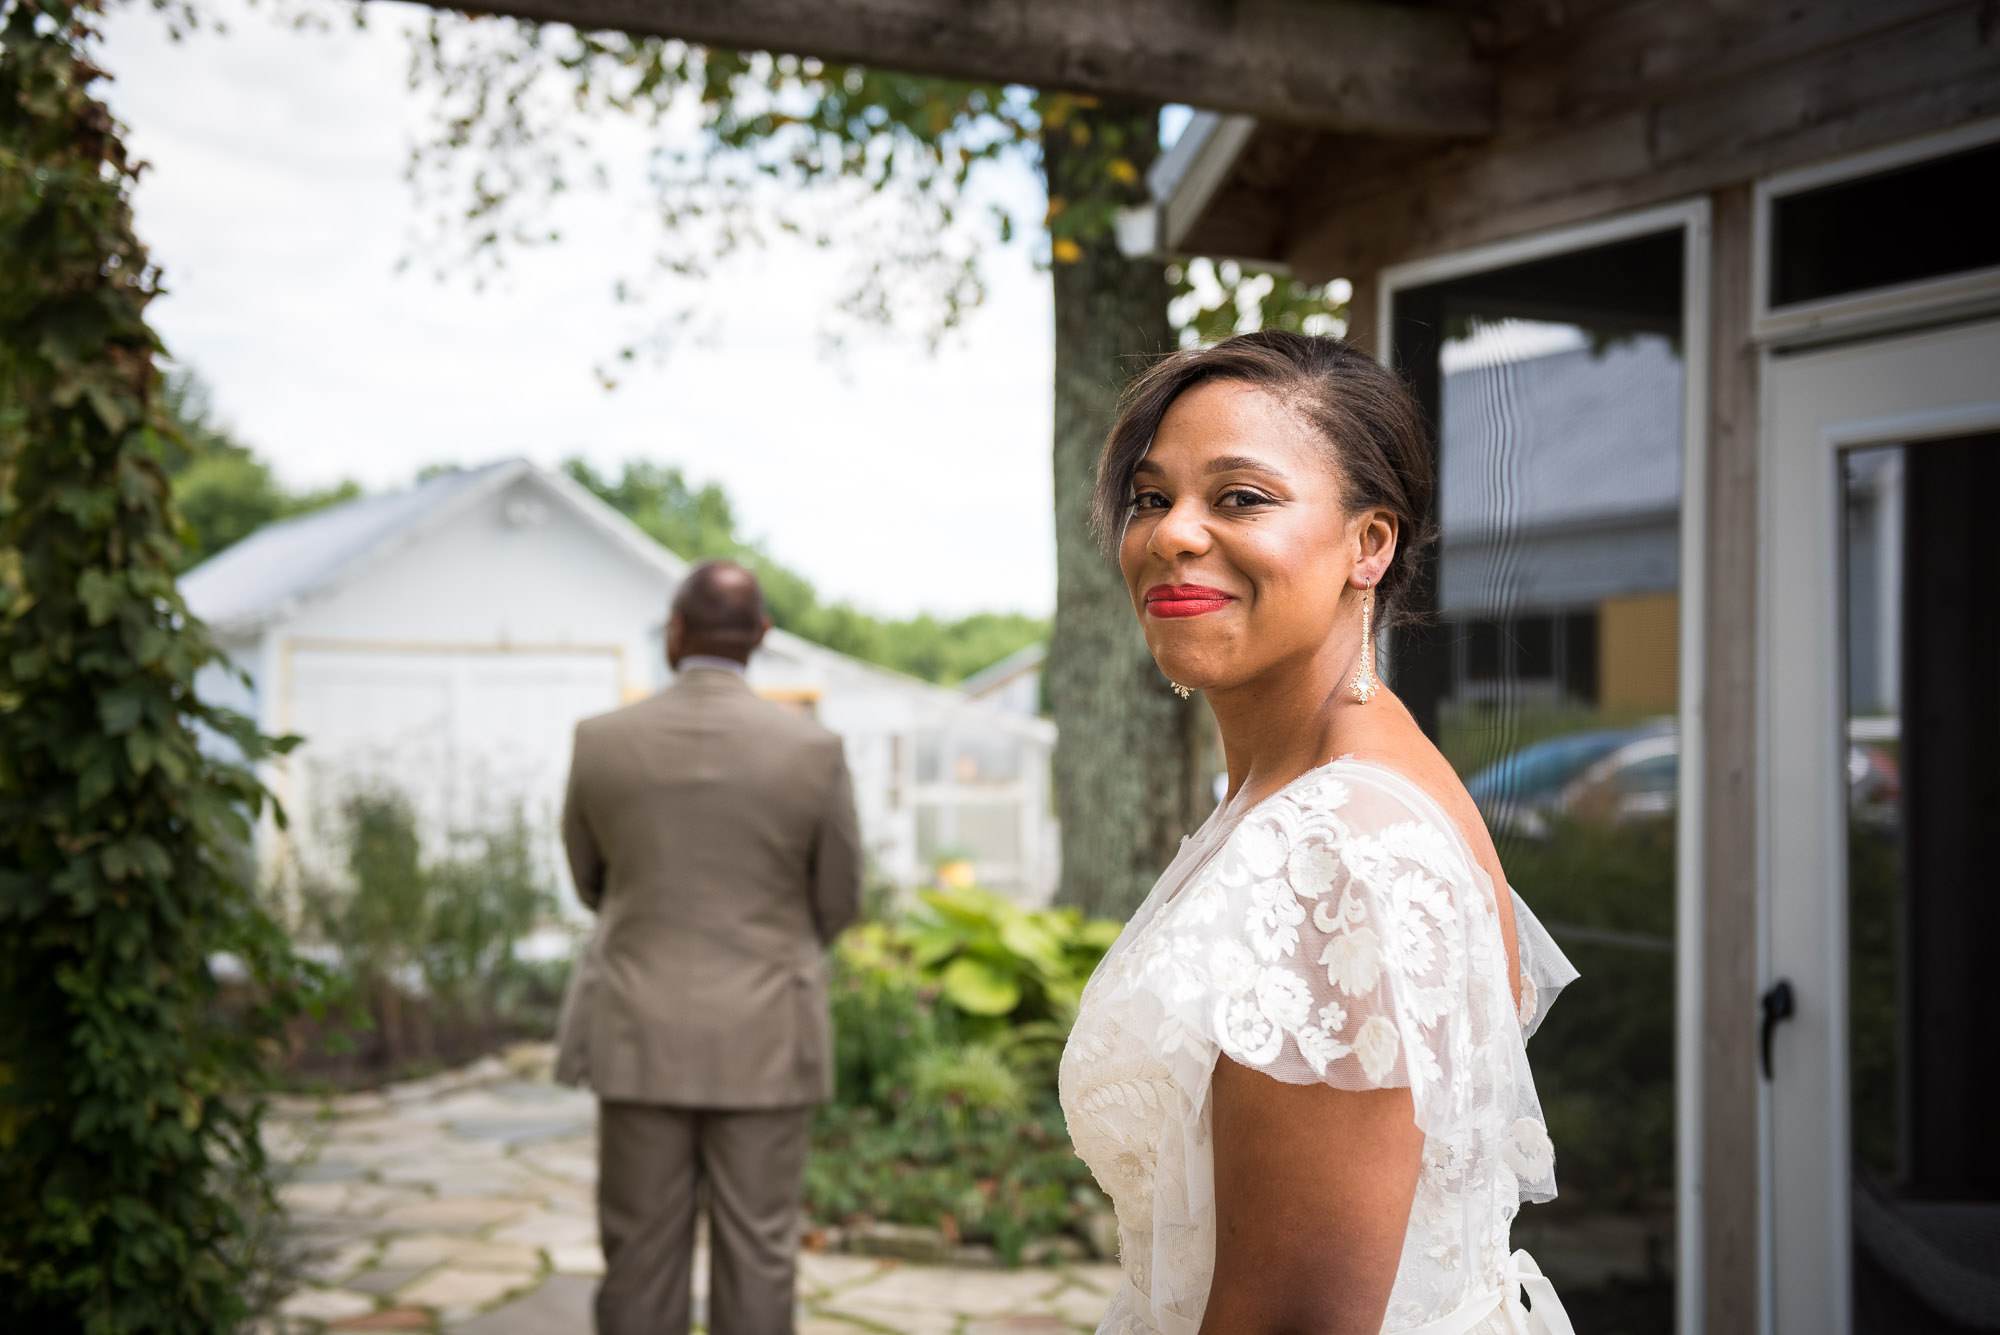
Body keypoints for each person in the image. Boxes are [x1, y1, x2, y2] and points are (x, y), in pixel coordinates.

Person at [1058, 331, 1580, 1335]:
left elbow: (1297, 1319)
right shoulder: (1304, 784)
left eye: (1239, 497)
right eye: (1150, 497)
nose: (1173, 534)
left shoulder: (1339, 844)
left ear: (1367, 544)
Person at [558, 560, 862, 1335]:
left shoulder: (599, 740)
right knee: (760, 1255)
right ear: (762, 635)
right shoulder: (813, 750)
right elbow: (837, 898)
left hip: (637, 1030)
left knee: (637, 1258)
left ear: (674, 631)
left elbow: (593, 881)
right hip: (766, 1032)